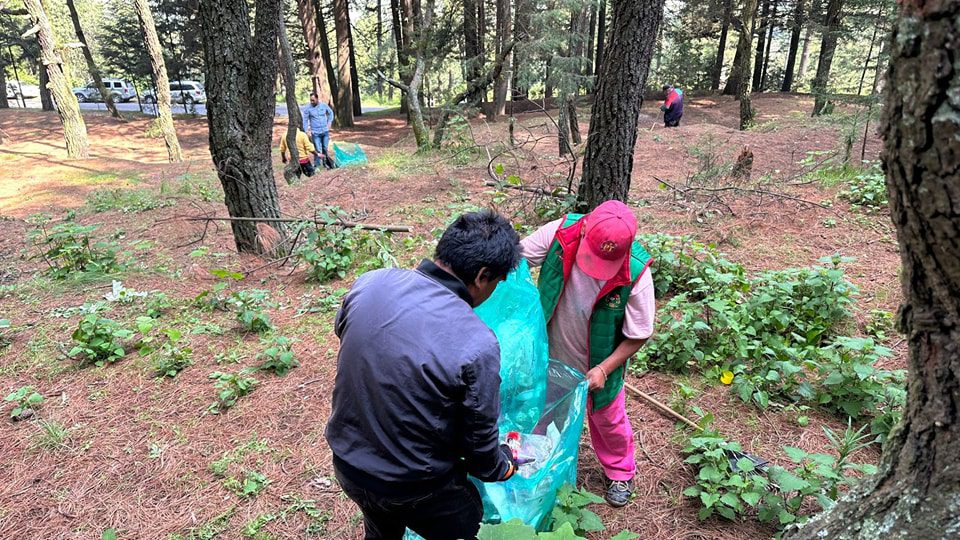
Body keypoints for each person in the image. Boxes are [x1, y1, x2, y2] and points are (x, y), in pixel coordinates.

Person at [326, 210, 523, 540]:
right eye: (497, 283)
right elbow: (478, 442)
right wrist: (500, 466)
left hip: (348, 466)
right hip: (412, 487)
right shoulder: (477, 342)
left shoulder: (370, 283)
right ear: (483, 275)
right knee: (468, 518)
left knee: (380, 526)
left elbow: (346, 333)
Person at [519, 200, 655, 508]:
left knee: (608, 419)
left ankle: (620, 471)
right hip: (552, 351)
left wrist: (605, 369)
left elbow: (639, 334)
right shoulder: (559, 234)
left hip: (600, 362)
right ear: (585, 229)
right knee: (546, 408)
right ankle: (541, 457)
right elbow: (514, 261)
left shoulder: (636, 273)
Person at [302, 92, 336, 169]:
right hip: (315, 132)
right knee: (317, 149)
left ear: (317, 99)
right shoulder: (308, 108)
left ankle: (326, 163)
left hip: (325, 131)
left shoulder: (323, 105)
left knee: (325, 148)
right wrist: (306, 131)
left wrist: (329, 122)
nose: (311, 102)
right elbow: (305, 120)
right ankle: (317, 165)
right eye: (310, 100)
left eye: (313, 100)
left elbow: (330, 113)